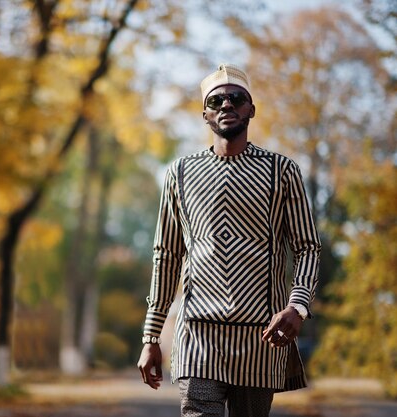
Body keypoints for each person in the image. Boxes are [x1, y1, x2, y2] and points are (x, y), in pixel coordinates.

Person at [137, 64, 321, 417]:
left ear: (251, 109)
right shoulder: (179, 174)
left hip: (262, 339)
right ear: (204, 113)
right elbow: (167, 256)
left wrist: (297, 307)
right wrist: (151, 337)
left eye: (236, 98)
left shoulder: (282, 171)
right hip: (198, 338)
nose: (226, 105)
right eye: (216, 100)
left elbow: (307, 247)